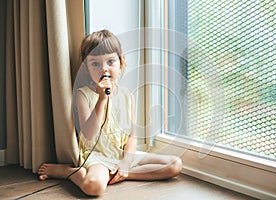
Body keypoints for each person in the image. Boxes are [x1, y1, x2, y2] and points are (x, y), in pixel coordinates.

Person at [38, 29, 182, 196]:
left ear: (121, 62)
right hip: (97, 157)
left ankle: (120, 174)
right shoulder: (83, 95)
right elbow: (89, 135)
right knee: (94, 187)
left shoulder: (127, 96)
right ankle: (70, 172)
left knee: (175, 165)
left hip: (121, 155)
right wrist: (101, 100)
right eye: (95, 64)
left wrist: (126, 164)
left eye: (110, 62)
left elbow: (132, 136)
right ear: (86, 67)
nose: (104, 69)